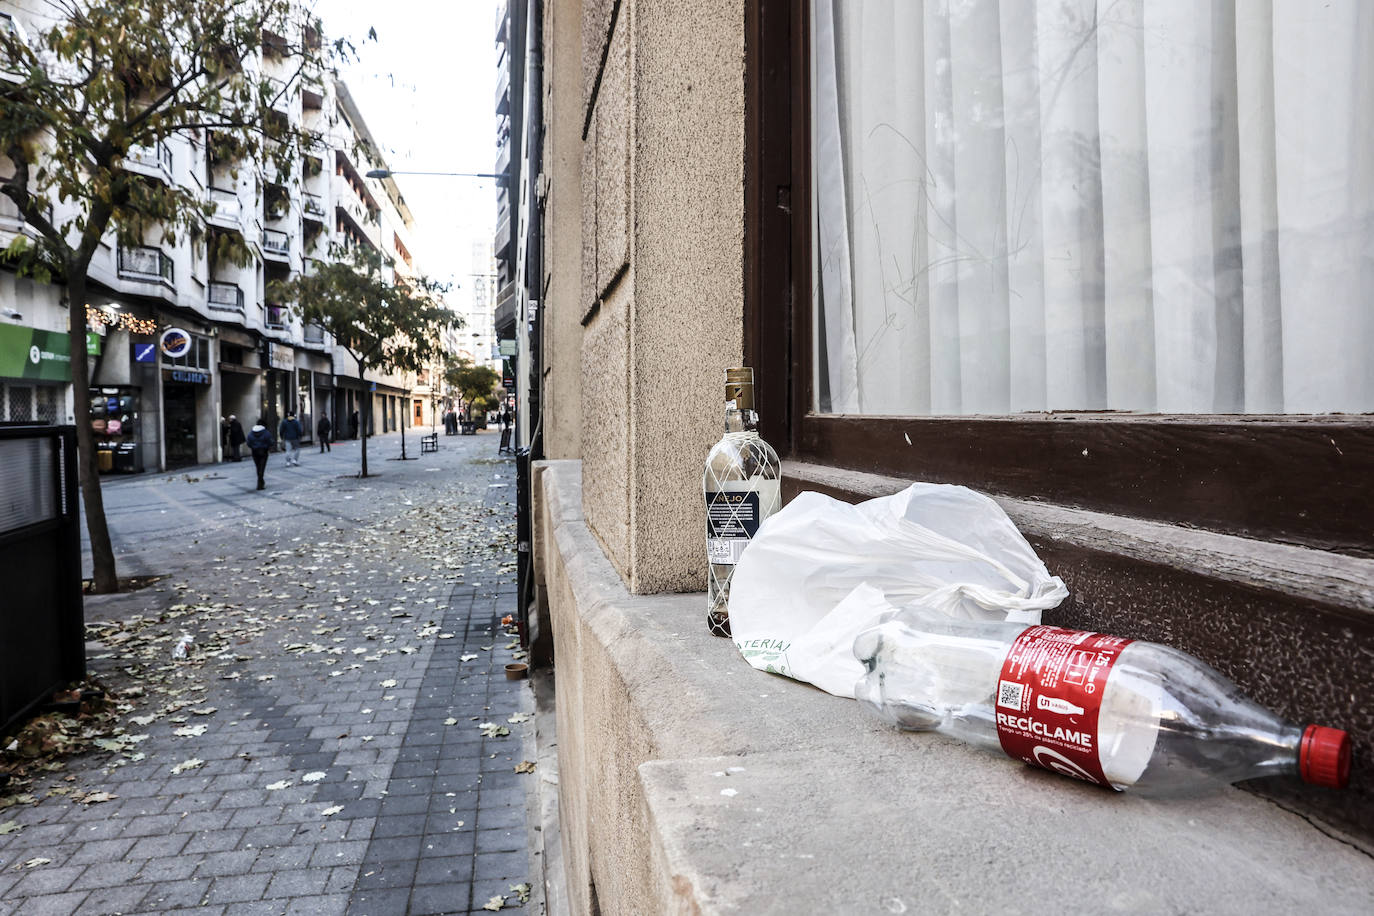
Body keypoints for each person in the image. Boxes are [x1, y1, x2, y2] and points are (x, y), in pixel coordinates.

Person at [245, 419, 274, 490]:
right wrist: (267, 446)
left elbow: (248, 442)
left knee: (258, 466)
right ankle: (260, 482)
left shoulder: (251, 433)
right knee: (262, 467)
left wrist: (253, 447)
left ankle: (260, 481)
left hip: (254, 452)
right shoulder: (266, 433)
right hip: (263, 451)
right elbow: (270, 441)